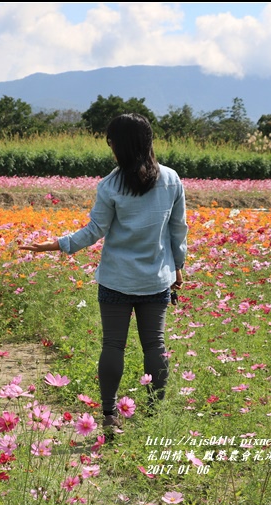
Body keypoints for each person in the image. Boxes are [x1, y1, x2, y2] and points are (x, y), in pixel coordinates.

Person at [18, 113, 188, 434]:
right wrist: (178, 266)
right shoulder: (171, 180)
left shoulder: (110, 185)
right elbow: (178, 229)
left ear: (120, 147)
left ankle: (109, 414)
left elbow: (94, 231)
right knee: (155, 345)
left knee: (113, 345)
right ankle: (154, 414)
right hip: (156, 280)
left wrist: (52, 245)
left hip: (116, 281)